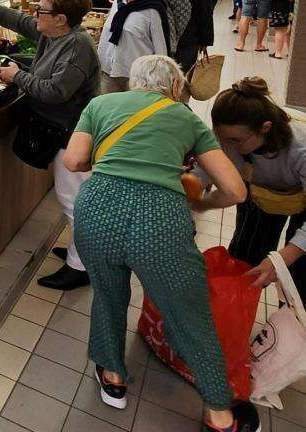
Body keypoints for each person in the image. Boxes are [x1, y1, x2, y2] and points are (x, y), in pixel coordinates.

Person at [65, 55, 253, 432]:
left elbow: (73, 161)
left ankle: (113, 377)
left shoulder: (100, 105)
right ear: (173, 88)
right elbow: (235, 190)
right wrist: (201, 201)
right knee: (188, 312)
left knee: (108, 293)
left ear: (135, 83)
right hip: (160, 221)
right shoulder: (185, 117)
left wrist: (110, 163)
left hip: (97, 210)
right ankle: (219, 411)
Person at [0, 0, 100, 291]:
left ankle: (82, 267)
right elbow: (16, 20)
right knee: (72, 197)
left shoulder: (76, 47)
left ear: (60, 18)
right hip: (61, 128)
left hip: (71, 132)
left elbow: (57, 92)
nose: (35, 16)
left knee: (74, 200)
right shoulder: (55, 33)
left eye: (41, 11)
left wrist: (15, 75)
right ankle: (80, 253)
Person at [211, 78, 305, 302]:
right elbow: (209, 167)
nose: (227, 146)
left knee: (298, 271)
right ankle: (239, 307)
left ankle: (291, 323)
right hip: (260, 192)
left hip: (300, 192)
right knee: (246, 257)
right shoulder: (230, 133)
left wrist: (283, 258)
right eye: (222, 138)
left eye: (234, 141)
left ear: (265, 128)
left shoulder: (300, 148)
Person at [97, 0, 169, 94]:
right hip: (108, 72)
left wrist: (159, 80)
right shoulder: (118, 2)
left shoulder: (152, 10)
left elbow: (161, 49)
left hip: (136, 77)